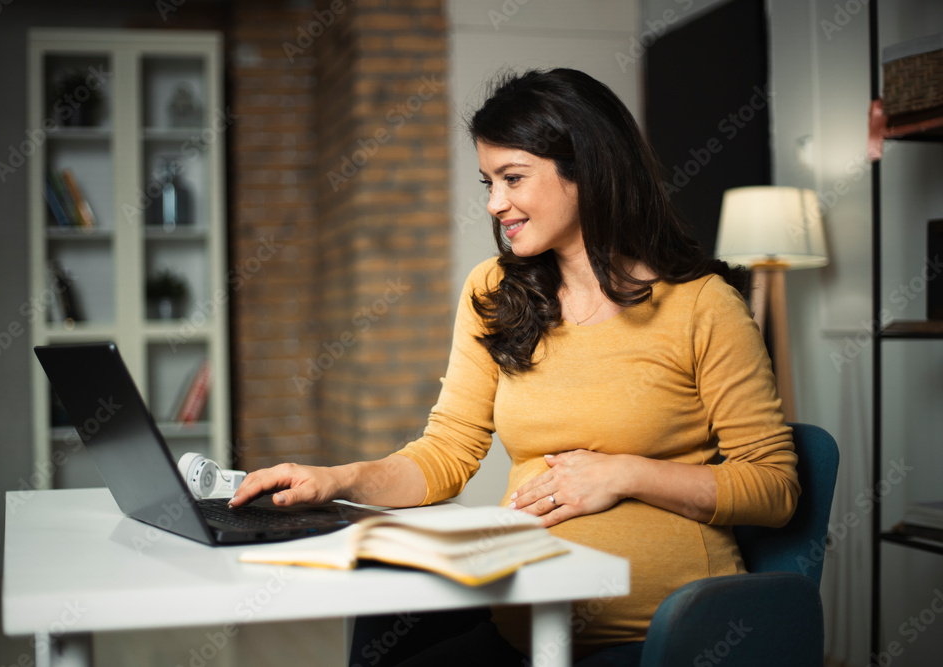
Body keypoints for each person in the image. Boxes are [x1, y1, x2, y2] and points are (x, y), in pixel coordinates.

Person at [229, 68, 801, 666]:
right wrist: (337, 480)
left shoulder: (701, 305)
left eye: (513, 178)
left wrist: (626, 474)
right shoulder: (496, 291)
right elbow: (447, 452)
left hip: (658, 636)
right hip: (525, 625)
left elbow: (775, 486)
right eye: (488, 181)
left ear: (586, 168)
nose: (494, 203)